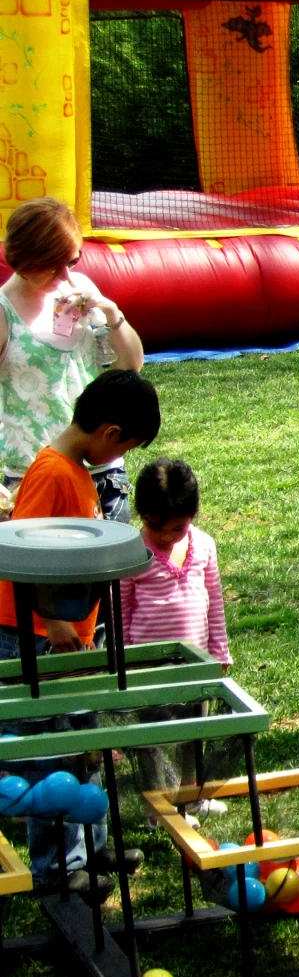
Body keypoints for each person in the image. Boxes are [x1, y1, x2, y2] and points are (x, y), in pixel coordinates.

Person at [0, 369, 161, 893]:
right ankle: (58, 869)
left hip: (68, 640)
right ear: (110, 433)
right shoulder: (51, 473)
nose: (119, 456)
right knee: (49, 754)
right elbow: (20, 552)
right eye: (125, 448)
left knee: (84, 743)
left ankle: (91, 847)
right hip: (33, 637)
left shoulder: (75, 472)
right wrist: (53, 621)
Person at [0, 197, 144, 521]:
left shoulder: (81, 288)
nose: (66, 275)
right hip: (35, 475)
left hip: (102, 470)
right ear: (23, 260)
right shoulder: (3, 312)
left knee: (111, 556)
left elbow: (131, 367)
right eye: (53, 264)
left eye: (73, 260)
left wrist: (110, 312)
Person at [120, 457, 231, 819]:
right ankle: (157, 807)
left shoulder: (204, 546)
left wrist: (219, 653)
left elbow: (215, 601)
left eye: (177, 528)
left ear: (193, 514)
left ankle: (192, 795)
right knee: (151, 737)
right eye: (157, 527)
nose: (167, 536)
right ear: (142, 514)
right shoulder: (131, 552)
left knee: (195, 729)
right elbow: (120, 610)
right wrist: (123, 661)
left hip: (195, 663)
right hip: (147, 665)